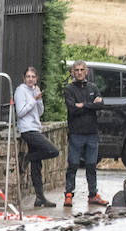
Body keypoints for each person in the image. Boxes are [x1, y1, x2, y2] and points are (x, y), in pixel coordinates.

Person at [63, 60, 109, 208]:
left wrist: (83, 104)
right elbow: (72, 109)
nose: (79, 72)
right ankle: (69, 194)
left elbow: (101, 105)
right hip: (76, 133)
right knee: (73, 165)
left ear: (87, 71)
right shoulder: (69, 89)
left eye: (82, 70)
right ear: (72, 72)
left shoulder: (93, 87)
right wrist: (91, 105)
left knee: (91, 166)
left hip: (92, 133)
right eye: (76, 70)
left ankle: (93, 194)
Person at [14, 67, 60, 208]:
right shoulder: (20, 91)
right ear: (24, 78)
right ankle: (27, 157)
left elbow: (40, 112)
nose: (30, 79)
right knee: (53, 151)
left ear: (36, 78)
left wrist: (39, 100)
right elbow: (20, 112)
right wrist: (34, 100)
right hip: (27, 129)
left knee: (37, 166)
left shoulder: (35, 90)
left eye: (33, 76)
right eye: (28, 76)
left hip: (36, 127)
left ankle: (40, 198)